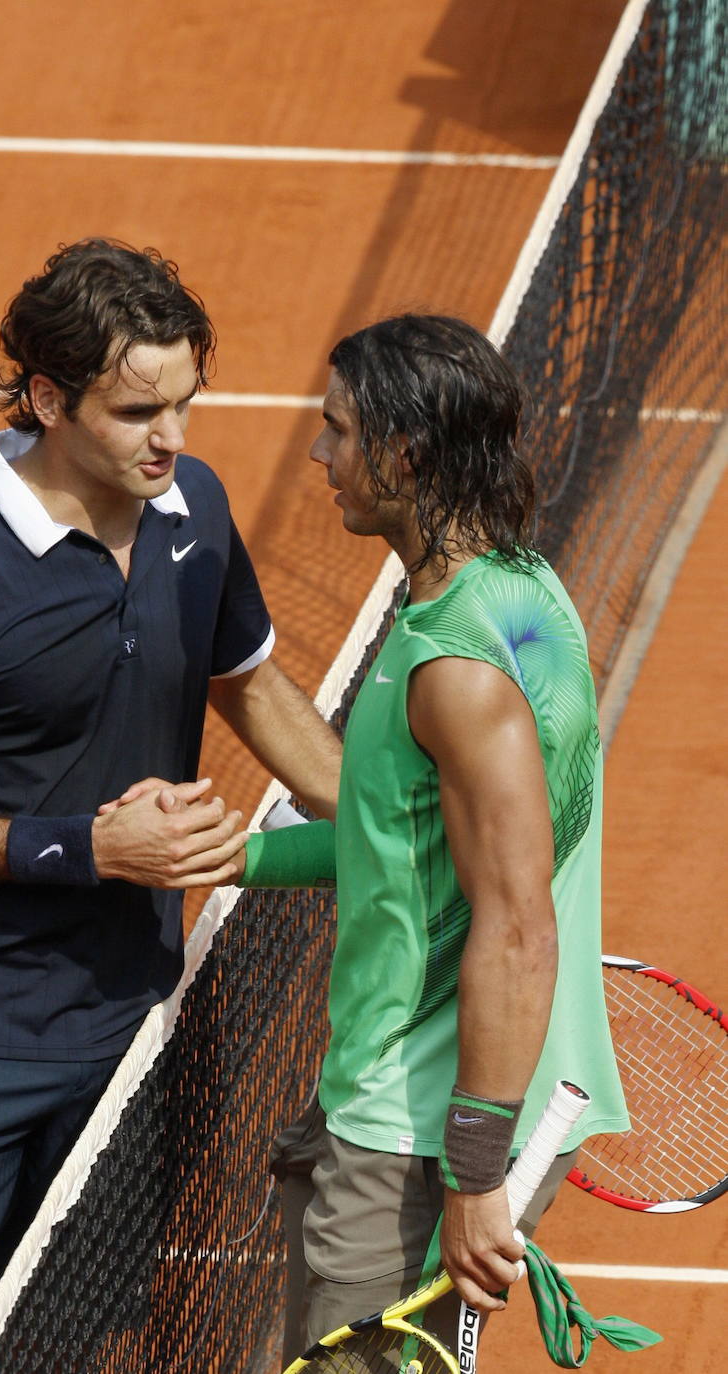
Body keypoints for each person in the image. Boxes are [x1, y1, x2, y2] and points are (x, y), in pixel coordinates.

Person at [0, 237, 342, 1374]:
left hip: (125, 1018)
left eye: (185, 406)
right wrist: (86, 847)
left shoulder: (190, 507)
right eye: (136, 410)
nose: (171, 439)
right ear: (47, 397)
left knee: (74, 1346)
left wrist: (382, 816)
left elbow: (245, 677)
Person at [194, 313, 629, 1367]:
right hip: (461, 1107)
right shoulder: (527, 597)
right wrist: (241, 858)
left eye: (340, 431)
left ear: (403, 453)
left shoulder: (454, 673)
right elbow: (409, 843)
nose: (320, 454)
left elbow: (518, 926)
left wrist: (474, 1178)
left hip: (417, 1136)